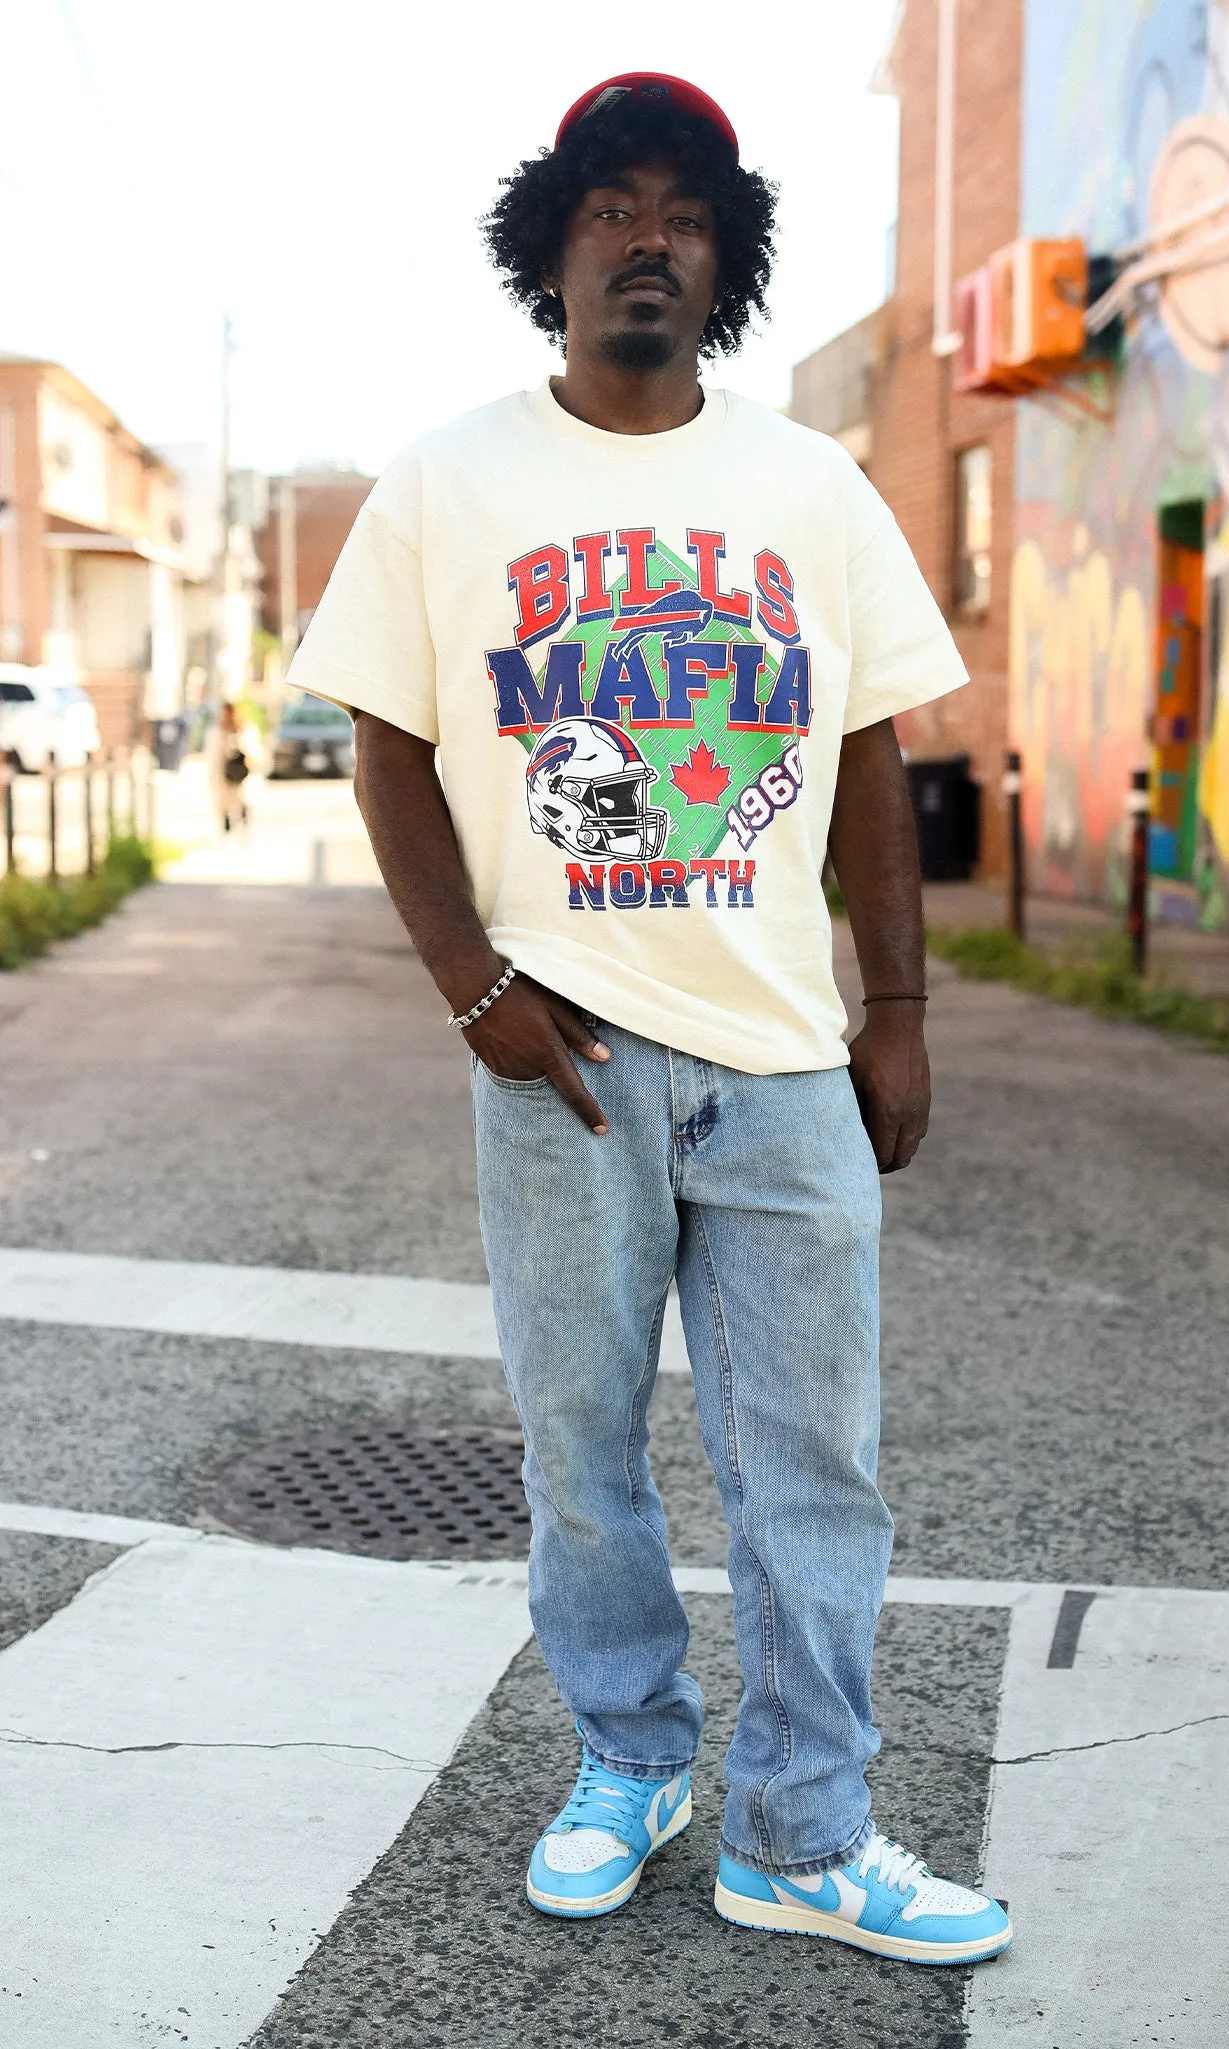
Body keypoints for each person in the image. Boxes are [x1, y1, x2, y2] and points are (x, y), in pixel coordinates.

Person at [288, 73, 1012, 1969]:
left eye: (685, 215)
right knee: (583, 1454)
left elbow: (868, 756)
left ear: (725, 262)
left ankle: (805, 1827)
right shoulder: (448, 479)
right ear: (550, 249)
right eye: (611, 207)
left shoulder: (810, 484)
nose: (647, 240)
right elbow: (387, 748)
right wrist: (476, 986)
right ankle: (630, 1755)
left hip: (783, 1065)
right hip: (568, 1065)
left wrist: (899, 1007)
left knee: (814, 1465)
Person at [206, 699, 259, 835]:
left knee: (243, 800)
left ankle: (244, 828)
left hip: (241, 774)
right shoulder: (217, 731)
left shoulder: (245, 729)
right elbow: (213, 754)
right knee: (224, 803)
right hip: (224, 775)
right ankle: (227, 830)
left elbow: (252, 751)